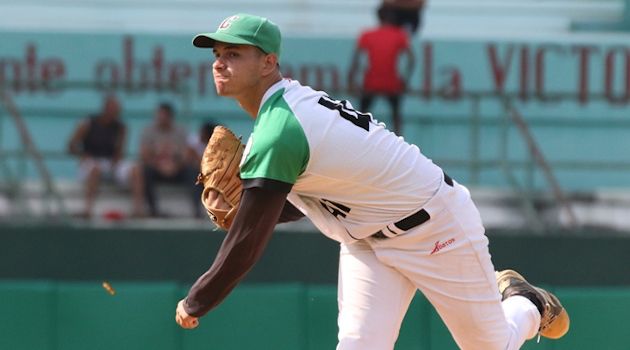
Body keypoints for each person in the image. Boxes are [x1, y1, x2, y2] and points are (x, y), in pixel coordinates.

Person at [175, 14, 570, 350]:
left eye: (234, 53)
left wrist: (198, 299)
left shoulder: (280, 129)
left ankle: (526, 302)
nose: (219, 63)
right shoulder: (281, 116)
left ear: (268, 63)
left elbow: (248, 243)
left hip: (433, 226)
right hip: (364, 239)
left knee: (490, 346)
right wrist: (251, 212)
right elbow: (307, 200)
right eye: (216, 54)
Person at [67, 94, 145, 219]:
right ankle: (87, 210)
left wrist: (116, 163)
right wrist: (84, 155)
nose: (117, 113)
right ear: (106, 109)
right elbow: (70, 146)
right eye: (114, 109)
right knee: (95, 169)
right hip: (91, 162)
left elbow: (120, 151)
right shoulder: (88, 123)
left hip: (110, 162)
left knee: (136, 169)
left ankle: (138, 211)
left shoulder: (121, 127)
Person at [348, 5, 415, 136]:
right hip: (392, 83)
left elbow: (355, 60)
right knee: (396, 117)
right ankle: (399, 144)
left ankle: (360, 139)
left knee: (362, 116)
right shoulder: (399, 35)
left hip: (371, 82)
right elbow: (412, 60)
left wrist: (351, 80)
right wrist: (405, 81)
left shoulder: (367, 35)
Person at [139, 102, 200, 218]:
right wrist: (160, 166)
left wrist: (175, 166)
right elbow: (145, 155)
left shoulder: (180, 132)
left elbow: (186, 154)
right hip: (157, 168)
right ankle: (152, 210)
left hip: (176, 169)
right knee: (145, 171)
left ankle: (197, 209)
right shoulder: (149, 132)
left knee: (193, 171)